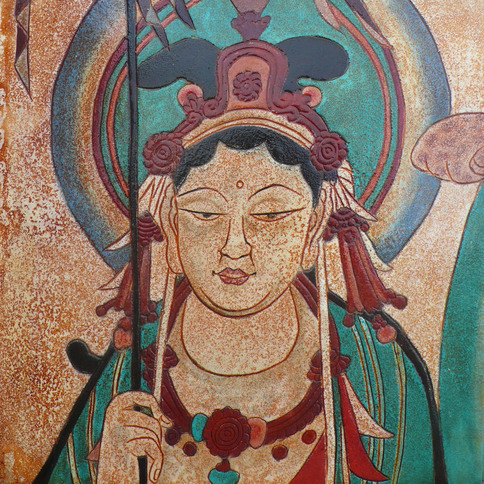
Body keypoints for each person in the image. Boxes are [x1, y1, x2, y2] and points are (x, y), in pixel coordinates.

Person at [45, 12, 437, 484]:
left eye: (271, 214)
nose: (235, 247)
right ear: (169, 229)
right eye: (204, 214)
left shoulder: (380, 371)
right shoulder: (129, 373)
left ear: (315, 229)